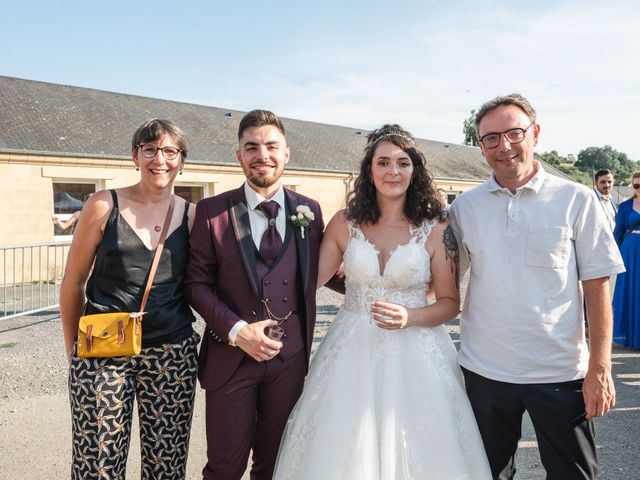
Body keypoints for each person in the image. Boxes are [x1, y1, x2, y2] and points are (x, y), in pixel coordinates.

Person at [273, 124, 492, 479]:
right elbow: (306, 283)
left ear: (415, 170)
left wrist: (410, 316)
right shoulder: (344, 224)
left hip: (418, 352)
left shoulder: (437, 228)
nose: (393, 171)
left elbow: (450, 302)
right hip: (349, 351)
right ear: (369, 170)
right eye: (383, 162)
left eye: (403, 163)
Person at [449, 94, 625, 479]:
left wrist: (600, 367)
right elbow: (437, 281)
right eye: (490, 138)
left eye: (514, 133)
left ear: (536, 133)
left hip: (560, 372)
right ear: (480, 147)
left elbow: (598, 289)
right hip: (485, 371)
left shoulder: (576, 199)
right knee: (485, 474)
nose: (504, 146)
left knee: (573, 475)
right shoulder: (464, 208)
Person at [184, 110, 325, 480]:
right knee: (224, 468)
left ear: (287, 153)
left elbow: (330, 270)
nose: (262, 155)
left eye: (271, 146)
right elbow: (196, 284)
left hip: (290, 360)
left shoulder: (309, 210)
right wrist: (237, 331)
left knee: (277, 464)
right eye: (252, 147)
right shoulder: (211, 211)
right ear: (239, 156)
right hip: (231, 359)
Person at [60, 119, 200, 480]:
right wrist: (74, 349)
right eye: (150, 149)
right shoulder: (102, 205)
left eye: (170, 151)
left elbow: (203, 283)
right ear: (135, 155)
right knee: (98, 465)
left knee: (166, 468)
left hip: (172, 352)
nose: (160, 159)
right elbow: (73, 282)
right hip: (103, 351)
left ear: (182, 160)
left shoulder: (192, 215)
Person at [612, 171, 640, 349]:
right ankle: (630, 336)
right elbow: (617, 234)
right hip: (630, 252)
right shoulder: (625, 206)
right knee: (630, 292)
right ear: (632, 186)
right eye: (636, 186)